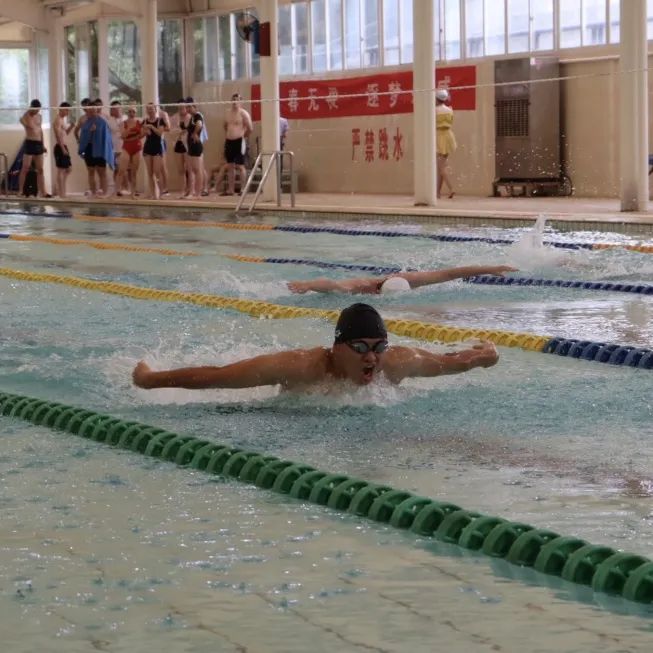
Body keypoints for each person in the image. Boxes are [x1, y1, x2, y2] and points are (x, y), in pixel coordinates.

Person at [132, 303, 499, 391]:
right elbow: (219, 377)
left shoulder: (397, 363)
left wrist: (484, 357)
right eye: (360, 347)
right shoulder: (300, 367)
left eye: (379, 347)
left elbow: (451, 362)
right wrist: (152, 380)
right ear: (337, 347)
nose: (372, 358)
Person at [287, 264, 517, 295]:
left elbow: (448, 274)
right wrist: (308, 285)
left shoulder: (407, 279)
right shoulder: (362, 286)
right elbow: (332, 285)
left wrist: (490, 268)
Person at [78, 98, 114, 197]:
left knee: (102, 172)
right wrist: (90, 131)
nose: (91, 112)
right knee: (91, 171)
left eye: (93, 110)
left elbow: (107, 137)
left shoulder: (102, 122)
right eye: (90, 110)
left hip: (100, 149)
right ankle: (93, 192)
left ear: (96, 110)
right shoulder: (86, 122)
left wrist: (108, 150)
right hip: (89, 148)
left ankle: (104, 193)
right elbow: (83, 137)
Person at [221, 92, 253, 196]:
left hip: (239, 141)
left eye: (237, 100)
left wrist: (243, 136)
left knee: (240, 166)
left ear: (241, 102)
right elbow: (225, 126)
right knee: (230, 165)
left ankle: (243, 189)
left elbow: (250, 128)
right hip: (229, 141)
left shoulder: (244, 114)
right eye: (234, 100)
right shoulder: (227, 113)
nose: (235, 102)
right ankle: (231, 189)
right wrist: (229, 135)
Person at [18, 99, 51, 198]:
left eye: (38, 110)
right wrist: (28, 115)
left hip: (38, 143)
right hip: (30, 143)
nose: (37, 111)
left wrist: (43, 144)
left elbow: (40, 131)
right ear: (31, 107)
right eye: (35, 109)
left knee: (40, 169)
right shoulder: (25, 116)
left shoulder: (39, 116)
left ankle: (43, 192)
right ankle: (20, 191)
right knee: (25, 167)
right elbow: (28, 125)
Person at [142, 102, 167, 199]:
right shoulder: (145, 121)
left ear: (155, 109)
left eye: (151, 108)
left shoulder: (160, 120)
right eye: (148, 109)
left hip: (157, 147)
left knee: (157, 172)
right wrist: (145, 131)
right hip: (148, 147)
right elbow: (141, 134)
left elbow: (160, 133)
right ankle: (153, 194)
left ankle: (160, 193)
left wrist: (151, 127)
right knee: (150, 173)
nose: (150, 110)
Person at [436, 88, 457, 199]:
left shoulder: (434, 111)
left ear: (436, 99)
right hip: (448, 136)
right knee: (441, 166)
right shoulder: (449, 110)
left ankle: (451, 188)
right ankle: (437, 192)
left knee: (441, 167)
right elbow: (451, 122)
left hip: (440, 136)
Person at [119, 105, 144, 198]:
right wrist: (130, 130)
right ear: (127, 112)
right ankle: (117, 190)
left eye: (133, 111)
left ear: (135, 113)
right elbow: (123, 136)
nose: (131, 113)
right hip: (126, 147)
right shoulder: (123, 123)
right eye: (130, 111)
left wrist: (132, 137)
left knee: (134, 172)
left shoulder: (139, 122)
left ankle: (133, 193)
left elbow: (142, 134)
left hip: (136, 147)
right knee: (122, 170)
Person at [52, 101, 74, 198]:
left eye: (68, 110)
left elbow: (66, 132)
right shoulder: (57, 120)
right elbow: (57, 135)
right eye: (66, 110)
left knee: (68, 169)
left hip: (63, 146)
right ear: (61, 109)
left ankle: (61, 190)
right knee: (61, 170)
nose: (67, 112)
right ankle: (61, 193)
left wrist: (72, 126)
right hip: (60, 146)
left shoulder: (62, 120)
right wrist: (62, 148)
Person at [108, 100, 126, 195]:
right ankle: (117, 188)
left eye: (117, 108)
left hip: (125, 147)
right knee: (117, 169)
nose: (116, 110)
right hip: (114, 148)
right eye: (113, 109)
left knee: (125, 169)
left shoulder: (125, 118)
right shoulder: (109, 121)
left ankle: (125, 187)